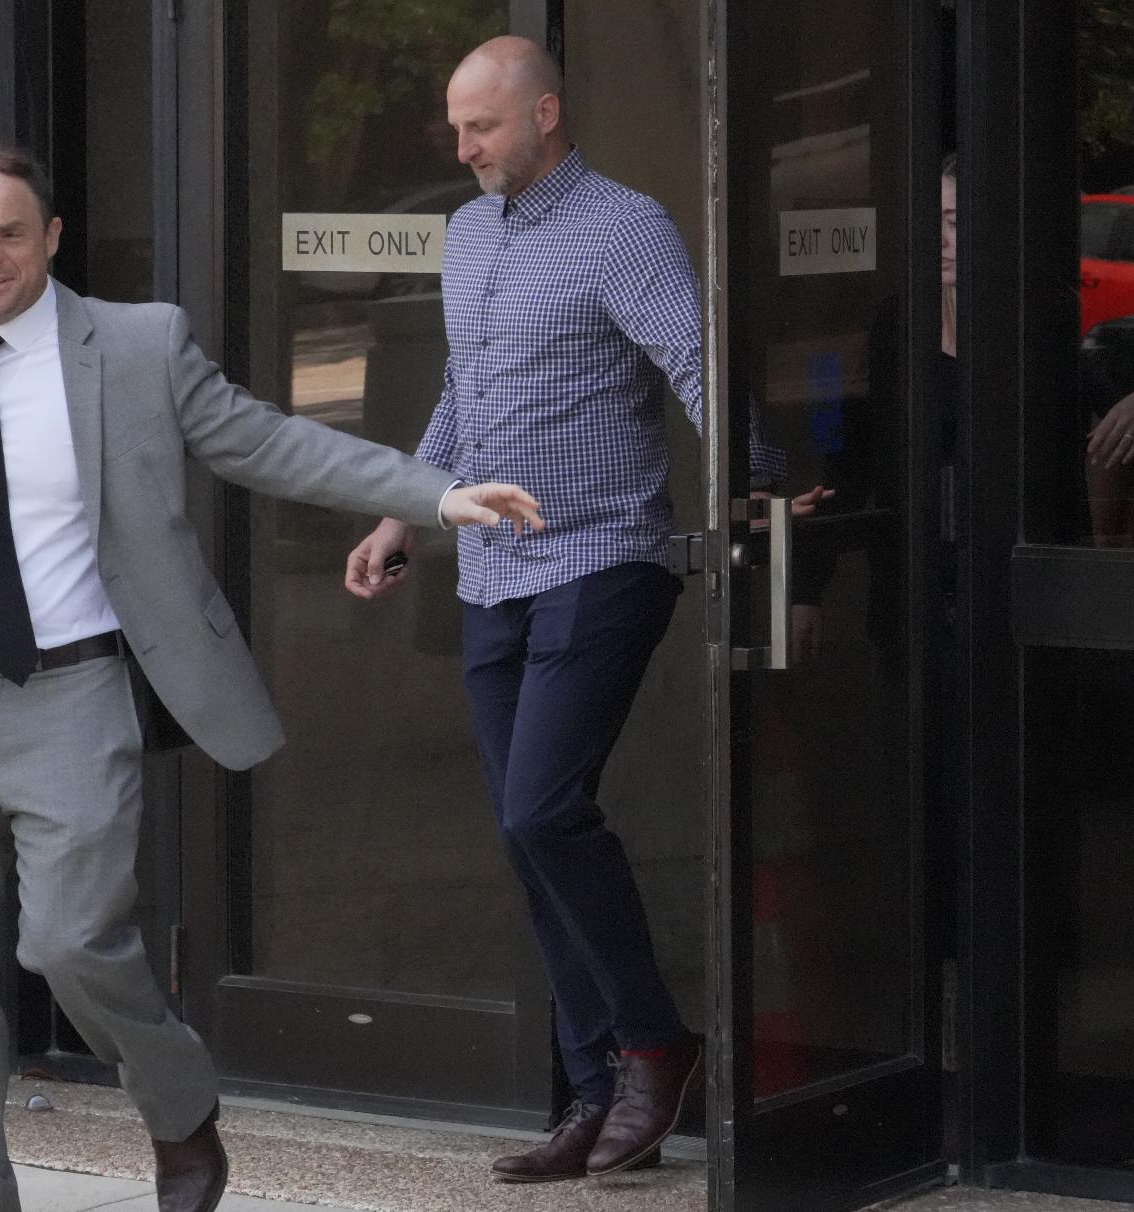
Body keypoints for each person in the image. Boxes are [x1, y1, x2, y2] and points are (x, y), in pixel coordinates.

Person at [0, 147, 542, 1212]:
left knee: (69, 941)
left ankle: (175, 1099)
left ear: (52, 237)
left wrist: (434, 497)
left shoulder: (135, 345)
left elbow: (271, 445)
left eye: (11, 233)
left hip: (71, 696)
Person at [344, 36, 780, 1184]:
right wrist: (402, 513)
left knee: (544, 810)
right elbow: (463, 390)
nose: (462, 147)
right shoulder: (466, 233)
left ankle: (655, 1045)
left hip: (601, 555)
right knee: (522, 832)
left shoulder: (625, 227)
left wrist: (766, 484)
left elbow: (696, 359)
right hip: (490, 567)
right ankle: (597, 1088)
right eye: (455, 126)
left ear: (545, 113)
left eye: (481, 126)